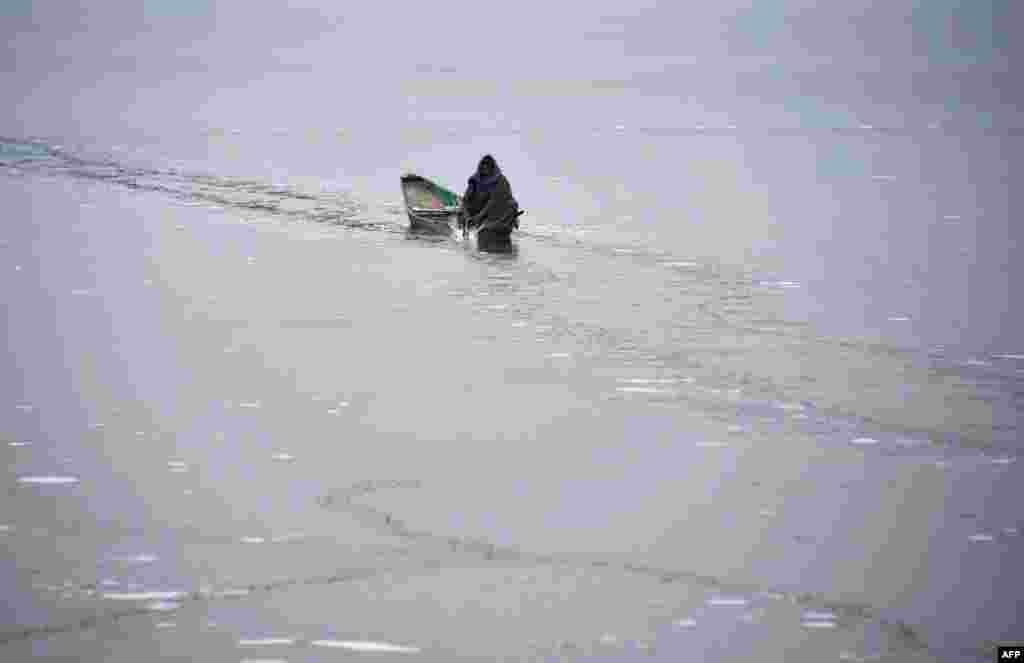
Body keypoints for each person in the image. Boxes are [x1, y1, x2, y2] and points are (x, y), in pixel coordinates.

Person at [460, 154, 519, 233]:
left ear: (492, 167)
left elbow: (493, 202)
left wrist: (479, 217)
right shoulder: (475, 180)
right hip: (479, 208)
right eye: (483, 165)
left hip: (498, 210)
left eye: (487, 165)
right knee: (463, 214)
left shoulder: (500, 180)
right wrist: (467, 216)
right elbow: (465, 200)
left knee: (512, 205)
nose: (485, 168)